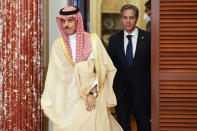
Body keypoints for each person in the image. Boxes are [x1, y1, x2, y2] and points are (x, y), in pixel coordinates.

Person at [41, 6, 123, 131]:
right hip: (67, 102)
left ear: (77, 21)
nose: (66, 25)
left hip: (90, 99)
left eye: (70, 20)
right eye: (63, 21)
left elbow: (102, 68)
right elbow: (53, 76)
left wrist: (92, 92)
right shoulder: (58, 45)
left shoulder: (93, 40)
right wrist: (48, 103)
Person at [108, 4, 151, 131]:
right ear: (121, 19)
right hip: (121, 92)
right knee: (123, 126)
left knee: (144, 125)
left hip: (143, 92)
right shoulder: (114, 40)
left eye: (131, 18)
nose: (128, 21)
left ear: (136, 19)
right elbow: (110, 65)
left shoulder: (149, 38)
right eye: (125, 18)